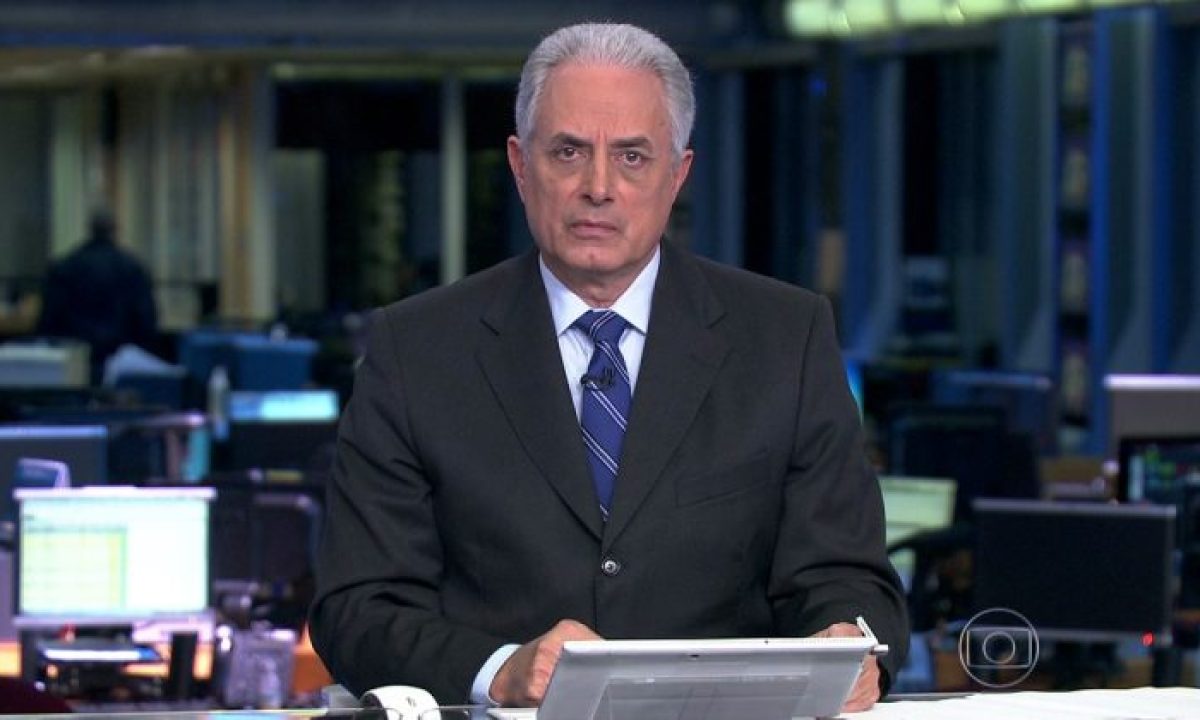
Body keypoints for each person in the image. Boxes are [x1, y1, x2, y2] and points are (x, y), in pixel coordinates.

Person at [310, 21, 908, 713]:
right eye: (568, 151)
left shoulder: (785, 339)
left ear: (678, 174)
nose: (598, 187)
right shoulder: (415, 350)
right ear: (520, 164)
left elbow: (849, 580)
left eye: (631, 156)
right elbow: (358, 608)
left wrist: (850, 642)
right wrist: (501, 670)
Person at [37, 210, 158, 384]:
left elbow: (50, 316)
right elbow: (145, 318)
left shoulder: (66, 266)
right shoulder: (131, 268)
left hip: (75, 355)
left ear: (90, 229)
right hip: (120, 356)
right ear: (115, 230)